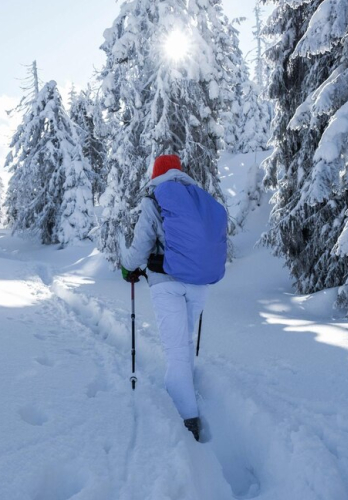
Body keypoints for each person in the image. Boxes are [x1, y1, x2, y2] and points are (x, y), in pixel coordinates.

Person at [121, 154, 226, 441]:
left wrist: (127, 266)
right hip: (199, 282)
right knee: (186, 341)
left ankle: (187, 419)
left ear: (156, 173)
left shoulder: (155, 198)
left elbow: (141, 243)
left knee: (176, 348)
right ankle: (187, 392)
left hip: (166, 282)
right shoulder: (199, 197)